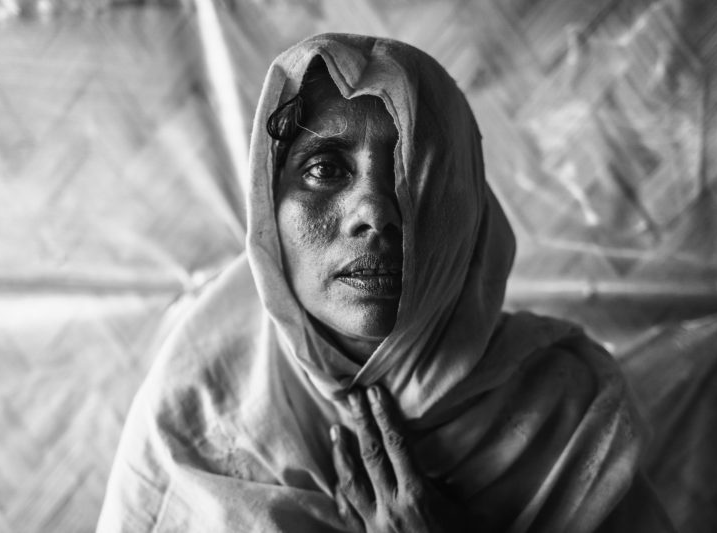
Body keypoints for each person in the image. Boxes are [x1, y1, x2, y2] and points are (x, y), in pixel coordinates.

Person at [97, 33, 676, 532]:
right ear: (268, 210)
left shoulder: (568, 417)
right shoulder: (196, 413)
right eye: (324, 168)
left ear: (466, 207)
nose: (376, 210)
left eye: (415, 170)